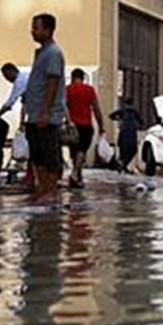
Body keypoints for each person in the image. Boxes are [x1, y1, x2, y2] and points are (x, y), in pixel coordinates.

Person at [22, 13, 67, 203]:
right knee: (37, 155)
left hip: (46, 115)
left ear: (48, 30)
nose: (32, 31)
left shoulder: (53, 53)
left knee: (49, 154)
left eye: (36, 27)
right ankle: (42, 188)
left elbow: (52, 82)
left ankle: (51, 190)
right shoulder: (42, 53)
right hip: (35, 114)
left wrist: (45, 111)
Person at [66, 68, 105, 188]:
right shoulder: (89, 90)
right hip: (86, 125)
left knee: (74, 151)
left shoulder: (67, 89)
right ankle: (75, 174)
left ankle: (78, 176)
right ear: (83, 78)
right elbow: (96, 109)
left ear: (72, 77)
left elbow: (63, 106)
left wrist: (68, 121)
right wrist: (101, 125)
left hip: (72, 125)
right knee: (82, 150)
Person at [109, 97, 144, 173]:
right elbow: (141, 121)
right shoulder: (134, 111)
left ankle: (122, 165)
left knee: (123, 151)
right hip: (131, 133)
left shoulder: (122, 110)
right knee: (133, 150)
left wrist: (118, 119)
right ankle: (123, 165)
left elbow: (111, 116)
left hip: (123, 133)